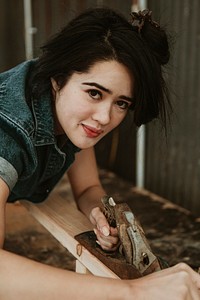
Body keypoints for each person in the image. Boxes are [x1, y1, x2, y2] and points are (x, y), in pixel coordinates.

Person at [0, 7, 199, 299]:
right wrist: (132, 291)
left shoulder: (67, 112)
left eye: (121, 103)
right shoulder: (7, 131)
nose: (105, 117)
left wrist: (97, 212)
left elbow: (89, 187)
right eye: (94, 93)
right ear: (58, 78)